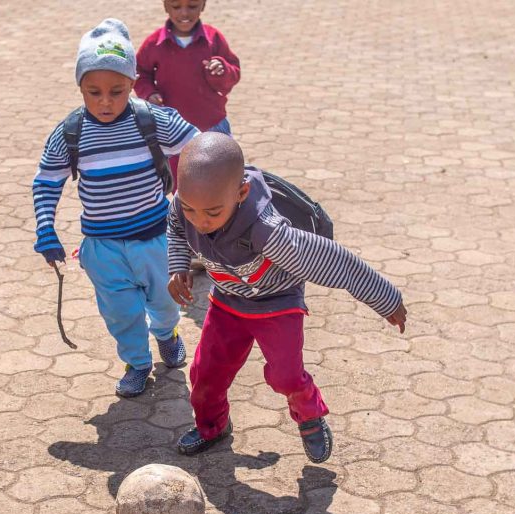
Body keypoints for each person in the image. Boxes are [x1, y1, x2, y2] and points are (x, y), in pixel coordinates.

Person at [167, 133, 407, 462]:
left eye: (212, 212)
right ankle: (212, 427)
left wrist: (386, 299)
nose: (201, 221)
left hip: (276, 304)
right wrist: (178, 266)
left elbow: (333, 260)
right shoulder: (183, 208)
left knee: (286, 377)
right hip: (227, 302)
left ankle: (309, 415)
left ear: (241, 193)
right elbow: (176, 229)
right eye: (191, 209)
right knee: (205, 374)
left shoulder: (268, 232)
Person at [32, 19, 198, 397]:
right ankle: (137, 363)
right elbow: (46, 181)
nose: (105, 101)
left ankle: (167, 333)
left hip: (157, 239)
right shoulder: (70, 132)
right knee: (120, 313)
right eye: (94, 92)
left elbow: (201, 149)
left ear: (132, 83)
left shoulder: (152, 121)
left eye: (117, 91)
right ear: (80, 87)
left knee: (164, 301)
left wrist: (212, 194)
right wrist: (45, 228)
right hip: (103, 247)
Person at [135, 0, 240, 187]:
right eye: (176, 7)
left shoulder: (214, 38)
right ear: (166, 6)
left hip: (212, 124)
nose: (184, 13)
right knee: (181, 183)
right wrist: (149, 93)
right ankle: (181, 216)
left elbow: (234, 71)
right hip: (173, 129)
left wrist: (222, 68)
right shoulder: (154, 44)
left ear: (203, 5)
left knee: (221, 180)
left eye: (192, 6)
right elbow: (140, 72)